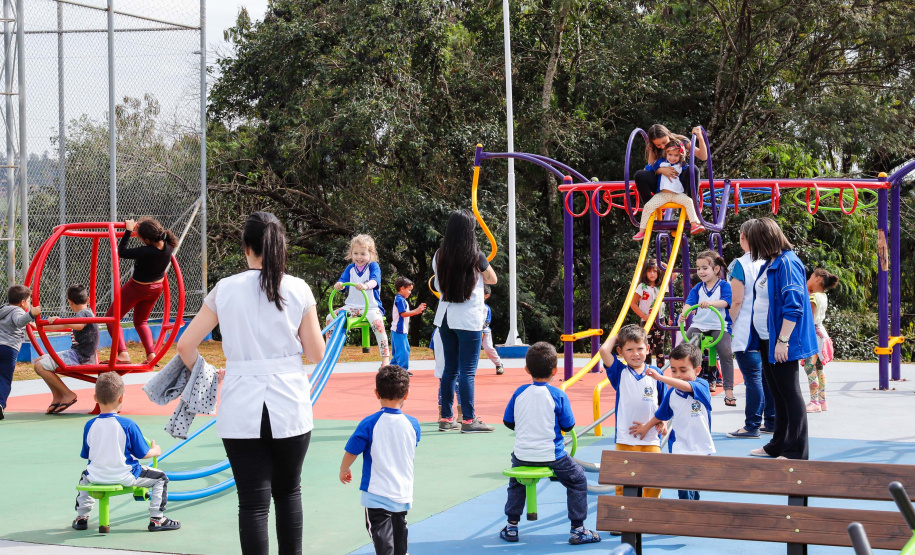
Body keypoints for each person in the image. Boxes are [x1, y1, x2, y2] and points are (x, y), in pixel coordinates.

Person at [177, 211, 326, 555]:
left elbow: (186, 345)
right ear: (280, 247)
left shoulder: (225, 289)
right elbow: (316, 353)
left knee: (253, 503)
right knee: (289, 492)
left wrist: (206, 373)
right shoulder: (298, 288)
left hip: (240, 400)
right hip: (288, 399)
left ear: (246, 248)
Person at [500, 342, 601, 545]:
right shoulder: (557, 395)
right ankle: (578, 529)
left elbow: (508, 421)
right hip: (553, 456)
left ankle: (511, 526)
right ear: (555, 370)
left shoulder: (519, 392)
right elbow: (568, 424)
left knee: (516, 483)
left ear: (527, 369)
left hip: (523, 455)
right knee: (578, 479)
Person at [745, 218, 817, 460]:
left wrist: (783, 340)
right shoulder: (772, 263)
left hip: (781, 341)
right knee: (777, 393)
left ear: (764, 240)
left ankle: (795, 450)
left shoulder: (788, 263)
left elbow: (793, 305)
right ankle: (778, 443)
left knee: (789, 393)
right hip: (767, 338)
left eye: (754, 242)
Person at [72, 372, 180, 532]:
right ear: (121, 398)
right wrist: (155, 451)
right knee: (161, 478)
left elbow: (87, 455)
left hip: (96, 476)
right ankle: (157, 518)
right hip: (124, 475)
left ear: (95, 397)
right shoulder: (127, 425)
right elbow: (142, 454)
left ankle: (81, 517)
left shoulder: (90, 425)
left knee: (84, 476)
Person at [340, 365, 420, 555]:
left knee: (383, 543)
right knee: (400, 540)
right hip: (402, 493)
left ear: (377, 393)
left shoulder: (369, 423)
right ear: (406, 394)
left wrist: (344, 468)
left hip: (377, 494)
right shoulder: (413, 424)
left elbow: (353, 450)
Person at [433, 210, 498, 433]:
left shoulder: (439, 255)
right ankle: (469, 420)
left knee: (449, 369)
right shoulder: (475, 256)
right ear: (470, 231)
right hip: (468, 318)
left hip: (445, 317)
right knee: (467, 371)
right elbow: (493, 279)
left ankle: (446, 417)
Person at [630, 343, 714, 500]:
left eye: (683, 370)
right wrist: (646, 427)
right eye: (674, 370)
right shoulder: (672, 394)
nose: (677, 375)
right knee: (683, 486)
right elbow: (661, 414)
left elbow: (687, 386)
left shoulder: (702, 386)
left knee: (694, 486)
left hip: (700, 447)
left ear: (697, 370)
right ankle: (686, 514)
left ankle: (693, 512)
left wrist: (661, 377)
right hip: (679, 446)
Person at [598, 324, 666, 498]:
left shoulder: (656, 374)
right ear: (620, 351)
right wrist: (617, 335)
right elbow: (604, 351)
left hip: (651, 438)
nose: (636, 354)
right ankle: (625, 512)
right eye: (629, 349)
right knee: (624, 480)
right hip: (626, 437)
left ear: (648, 349)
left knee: (654, 479)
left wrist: (663, 421)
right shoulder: (620, 372)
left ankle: (648, 510)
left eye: (640, 349)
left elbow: (663, 404)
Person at [726, 220, 776, 438]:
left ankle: (752, 424)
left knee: (753, 378)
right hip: (767, 326)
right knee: (767, 377)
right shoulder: (771, 261)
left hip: (746, 327)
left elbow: (737, 300)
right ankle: (771, 421)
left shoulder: (740, 264)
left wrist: (728, 325)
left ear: (745, 236)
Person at [106, 218, 177, 365]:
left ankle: (123, 354)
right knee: (141, 321)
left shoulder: (147, 251)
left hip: (137, 288)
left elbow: (122, 252)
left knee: (112, 318)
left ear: (146, 239)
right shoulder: (169, 245)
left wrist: (128, 230)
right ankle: (151, 355)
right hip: (156, 288)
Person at [33, 284, 100, 414]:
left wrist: (59, 320)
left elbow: (79, 325)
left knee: (40, 366)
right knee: (39, 360)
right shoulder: (86, 313)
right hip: (79, 355)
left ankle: (67, 394)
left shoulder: (83, 313)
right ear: (88, 299)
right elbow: (62, 325)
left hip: (81, 357)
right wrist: (38, 326)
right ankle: (58, 397)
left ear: (69, 302)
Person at [680, 250, 735, 404]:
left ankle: (729, 390)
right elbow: (689, 303)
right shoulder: (698, 287)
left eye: (705, 268)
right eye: (698, 269)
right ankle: (686, 384)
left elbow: (725, 302)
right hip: (699, 325)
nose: (701, 272)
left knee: (725, 352)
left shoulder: (724, 285)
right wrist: (684, 314)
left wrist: (711, 303)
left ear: (716, 269)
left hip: (719, 324)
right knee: (686, 350)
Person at [329, 234, 390, 367]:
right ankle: (329, 351)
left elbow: (375, 281)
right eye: (355, 253)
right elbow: (342, 281)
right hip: (351, 306)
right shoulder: (350, 268)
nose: (359, 257)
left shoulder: (373, 266)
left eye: (363, 254)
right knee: (330, 317)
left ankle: (385, 358)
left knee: (378, 326)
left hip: (371, 307)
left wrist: (366, 285)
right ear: (351, 253)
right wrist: (339, 285)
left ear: (371, 253)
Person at [632, 142, 705, 241]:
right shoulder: (660, 162)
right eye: (670, 154)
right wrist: (658, 169)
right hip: (663, 195)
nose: (673, 158)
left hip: (677, 194)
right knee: (648, 206)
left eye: (676, 155)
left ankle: (694, 224)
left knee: (689, 201)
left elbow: (691, 172)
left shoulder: (682, 164)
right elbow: (647, 168)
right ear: (666, 153)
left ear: (680, 156)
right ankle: (641, 231)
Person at [633, 124, 709, 208]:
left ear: (668, 134)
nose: (662, 146)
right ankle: (649, 208)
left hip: (679, 182)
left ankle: (693, 205)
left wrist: (700, 138)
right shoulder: (654, 148)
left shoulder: (680, 141)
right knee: (640, 175)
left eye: (664, 142)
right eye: (658, 145)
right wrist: (661, 170)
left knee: (693, 169)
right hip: (662, 185)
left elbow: (703, 156)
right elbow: (650, 168)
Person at [0, 285, 40, 419]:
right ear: (23, 303)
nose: (29, 304)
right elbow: (18, 321)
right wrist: (31, 315)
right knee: (5, 379)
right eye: (29, 301)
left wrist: (29, 322)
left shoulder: (3, 309)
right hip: (9, 348)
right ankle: (0, 404)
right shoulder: (18, 311)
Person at [805, 268, 839, 413]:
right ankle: (822, 401)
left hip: (813, 335)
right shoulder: (822, 296)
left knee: (809, 367)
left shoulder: (812, 298)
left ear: (818, 278)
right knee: (819, 368)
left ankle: (814, 402)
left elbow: (809, 319)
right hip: (821, 333)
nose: (809, 279)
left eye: (811, 276)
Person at [630, 259, 670, 367]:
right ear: (645, 273)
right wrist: (644, 316)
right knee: (646, 347)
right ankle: (646, 372)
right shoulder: (642, 287)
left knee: (659, 349)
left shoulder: (661, 286)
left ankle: (659, 373)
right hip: (646, 320)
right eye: (649, 271)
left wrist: (660, 263)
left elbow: (673, 273)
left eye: (655, 271)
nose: (652, 274)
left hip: (659, 320)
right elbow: (633, 304)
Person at [390, 277, 427, 374]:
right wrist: (416, 311)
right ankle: (402, 370)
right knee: (404, 352)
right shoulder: (400, 300)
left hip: (398, 330)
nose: (410, 292)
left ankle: (392, 368)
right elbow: (403, 314)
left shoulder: (400, 299)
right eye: (409, 290)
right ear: (402, 288)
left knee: (401, 351)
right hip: (399, 330)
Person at [431, 326, 461, 426]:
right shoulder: (457, 328)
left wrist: (438, 363)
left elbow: (433, 348)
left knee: (443, 387)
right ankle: (462, 413)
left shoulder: (436, 330)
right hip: (454, 365)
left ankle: (441, 414)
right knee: (459, 387)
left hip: (441, 365)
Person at [482, 285, 504, 375]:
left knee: (488, 349)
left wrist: (482, 326)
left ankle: (499, 364)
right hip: (472, 332)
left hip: (484, 332)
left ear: (486, 296)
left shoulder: (486, 308)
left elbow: (488, 321)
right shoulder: (470, 306)